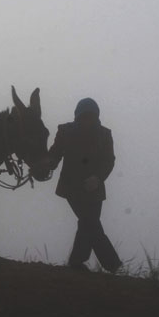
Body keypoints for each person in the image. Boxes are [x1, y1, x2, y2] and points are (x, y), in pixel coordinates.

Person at [47, 98, 122, 273]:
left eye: (90, 117)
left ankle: (76, 262)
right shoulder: (65, 132)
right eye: (83, 117)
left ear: (96, 117)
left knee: (87, 223)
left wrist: (98, 178)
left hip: (94, 190)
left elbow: (109, 161)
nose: (87, 120)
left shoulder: (105, 135)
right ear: (77, 117)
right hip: (71, 187)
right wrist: (45, 164)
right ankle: (112, 264)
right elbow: (55, 154)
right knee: (91, 222)